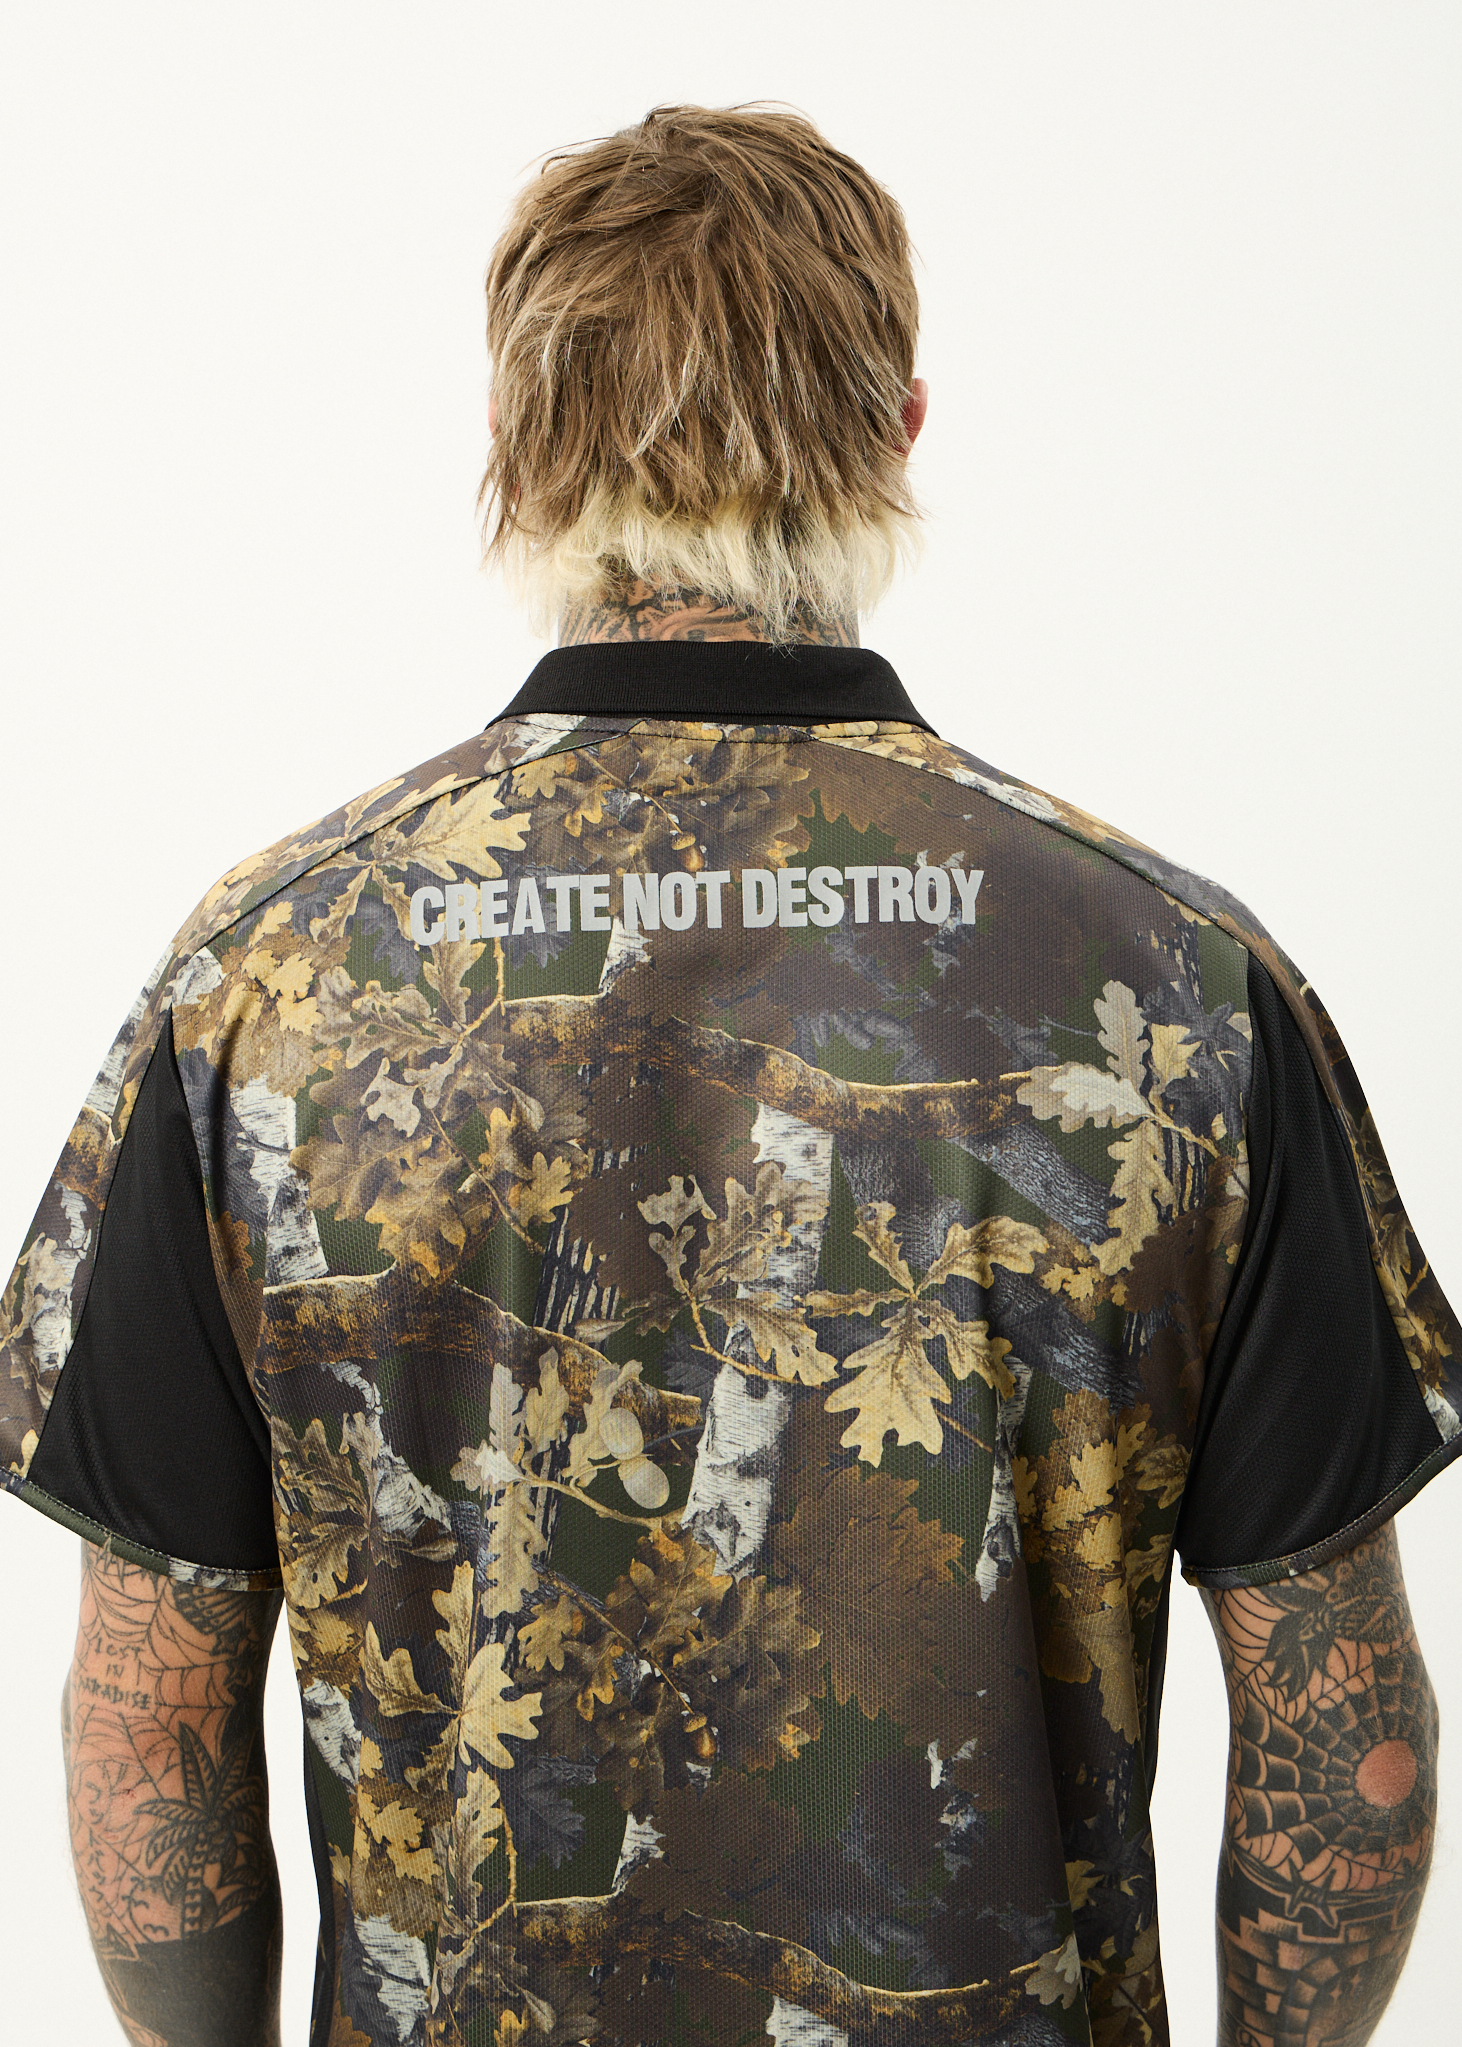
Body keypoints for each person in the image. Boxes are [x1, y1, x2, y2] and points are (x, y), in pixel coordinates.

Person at [1, 102, 1455, 2047]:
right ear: (898, 432)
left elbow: (150, 1729)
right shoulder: (1174, 986)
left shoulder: (267, 982)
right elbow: (1337, 1746)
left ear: (514, 448)